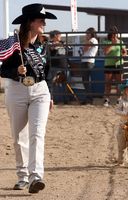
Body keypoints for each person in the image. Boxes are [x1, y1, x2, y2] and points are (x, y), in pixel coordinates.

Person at [0, 3, 57, 193]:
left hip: (40, 90)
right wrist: (16, 70)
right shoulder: (13, 44)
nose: (44, 23)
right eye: (41, 20)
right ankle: (22, 175)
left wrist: (49, 94)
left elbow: (47, 72)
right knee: (19, 137)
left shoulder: (43, 44)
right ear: (30, 22)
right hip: (16, 89)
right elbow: (3, 70)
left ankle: (36, 176)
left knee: (37, 134)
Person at [102, 26, 127, 107]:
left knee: (119, 83)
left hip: (119, 63)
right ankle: (107, 99)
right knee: (108, 83)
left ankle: (119, 99)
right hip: (109, 64)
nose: (114, 35)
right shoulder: (106, 41)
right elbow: (106, 52)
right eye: (112, 34)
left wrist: (120, 56)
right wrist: (113, 44)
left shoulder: (120, 42)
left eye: (115, 34)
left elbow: (125, 52)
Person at [47, 30, 69, 104]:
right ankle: (52, 99)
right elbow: (51, 47)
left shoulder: (63, 42)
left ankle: (66, 100)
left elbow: (68, 48)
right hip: (54, 65)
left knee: (65, 83)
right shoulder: (49, 43)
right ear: (55, 35)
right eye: (60, 35)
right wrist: (57, 44)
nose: (61, 36)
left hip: (64, 65)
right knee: (52, 83)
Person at [81, 27, 98, 104]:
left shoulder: (92, 40)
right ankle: (88, 98)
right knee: (85, 81)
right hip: (87, 61)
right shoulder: (92, 40)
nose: (86, 35)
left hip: (88, 62)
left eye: (88, 33)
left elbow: (85, 49)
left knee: (86, 81)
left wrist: (85, 43)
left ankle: (89, 98)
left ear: (91, 34)